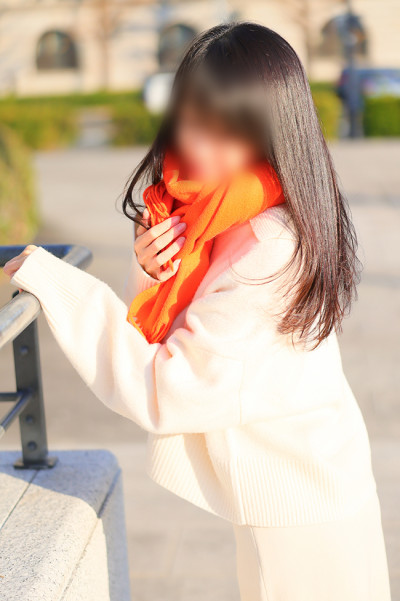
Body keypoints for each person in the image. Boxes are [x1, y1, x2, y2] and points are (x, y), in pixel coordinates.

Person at [4, 23, 391, 601]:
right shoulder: (242, 208)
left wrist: (58, 284)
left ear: (270, 131)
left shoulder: (269, 244)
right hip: (305, 487)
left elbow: (164, 387)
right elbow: (183, 326)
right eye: (191, 120)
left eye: (225, 131)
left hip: (301, 514)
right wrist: (157, 268)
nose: (199, 146)